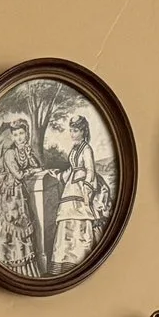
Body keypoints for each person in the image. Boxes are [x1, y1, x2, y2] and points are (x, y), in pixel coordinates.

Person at [0, 118, 43, 274]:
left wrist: (28, 154)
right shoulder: (9, 152)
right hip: (8, 192)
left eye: (22, 133)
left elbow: (37, 165)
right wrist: (29, 171)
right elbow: (18, 174)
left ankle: (26, 271)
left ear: (27, 134)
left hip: (20, 192)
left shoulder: (25, 149)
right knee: (9, 225)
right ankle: (6, 265)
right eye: (16, 134)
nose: (19, 137)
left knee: (22, 224)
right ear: (12, 136)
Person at [50, 114, 107, 270]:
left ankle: (77, 261)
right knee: (66, 223)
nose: (72, 134)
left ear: (83, 131)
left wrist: (87, 189)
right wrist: (59, 175)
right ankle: (62, 262)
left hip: (81, 190)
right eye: (71, 130)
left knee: (80, 223)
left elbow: (90, 170)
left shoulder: (86, 149)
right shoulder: (75, 149)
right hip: (70, 187)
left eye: (75, 130)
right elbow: (72, 169)